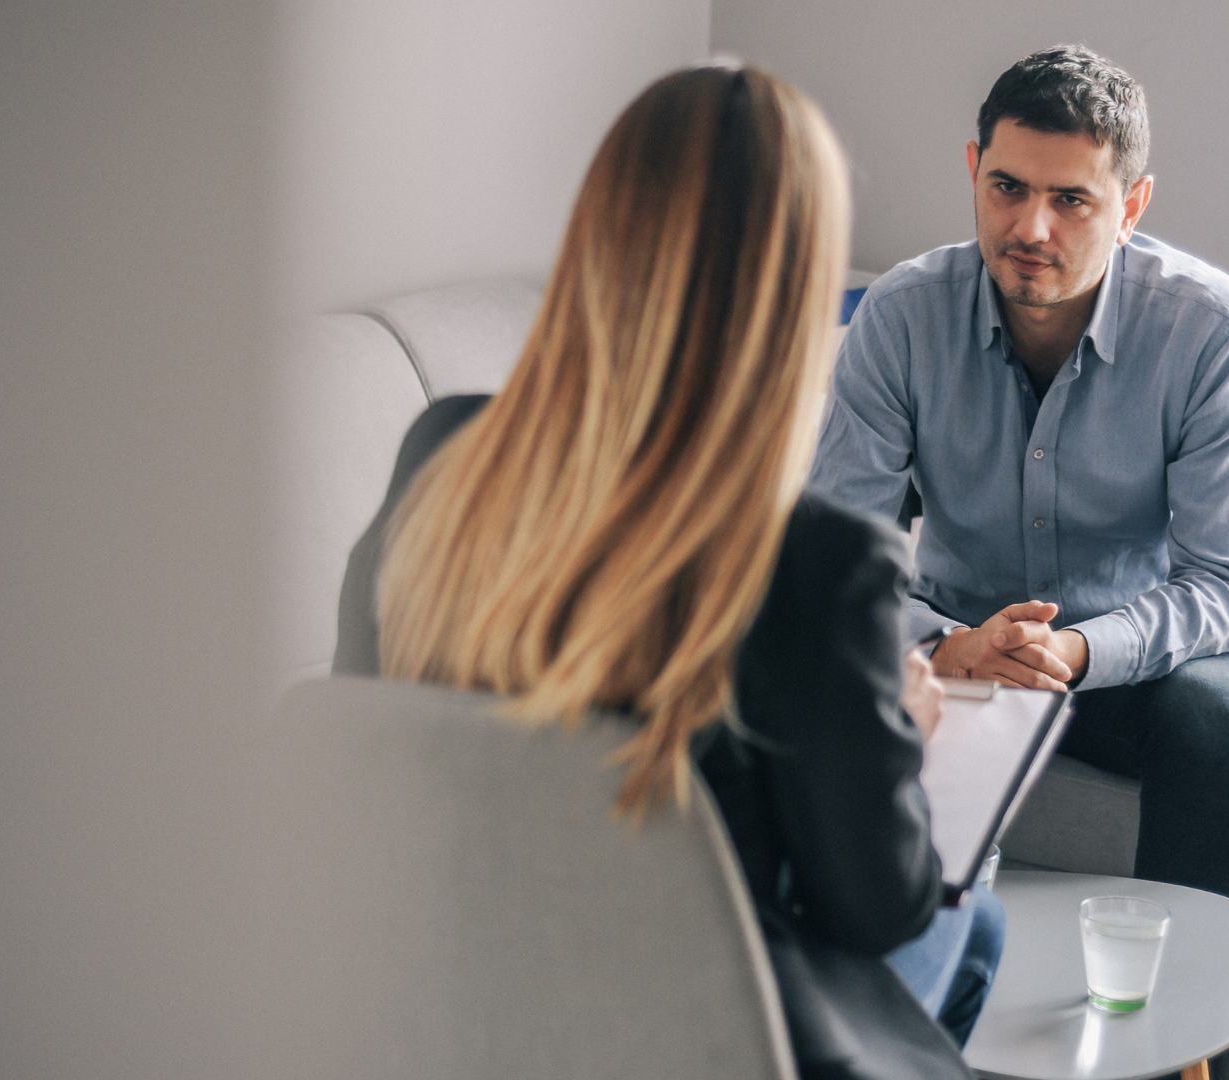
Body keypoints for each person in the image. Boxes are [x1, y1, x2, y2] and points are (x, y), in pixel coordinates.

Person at [335, 66, 1000, 1078]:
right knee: (976, 913)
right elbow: (878, 905)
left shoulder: (440, 456)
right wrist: (899, 730)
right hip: (701, 1035)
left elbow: (365, 729)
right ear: (795, 292)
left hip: (460, 1006)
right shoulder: (815, 565)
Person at [811, 45, 1229, 906]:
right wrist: (947, 645)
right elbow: (835, 562)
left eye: (1071, 200)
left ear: (1131, 206)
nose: (1031, 229)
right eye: (1008, 188)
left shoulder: (1211, 330)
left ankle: (1191, 1036)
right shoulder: (901, 317)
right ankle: (893, 1017)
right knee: (807, 671)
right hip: (958, 646)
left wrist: (1073, 650)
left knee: (1217, 714)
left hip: (1130, 663)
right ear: (973, 171)